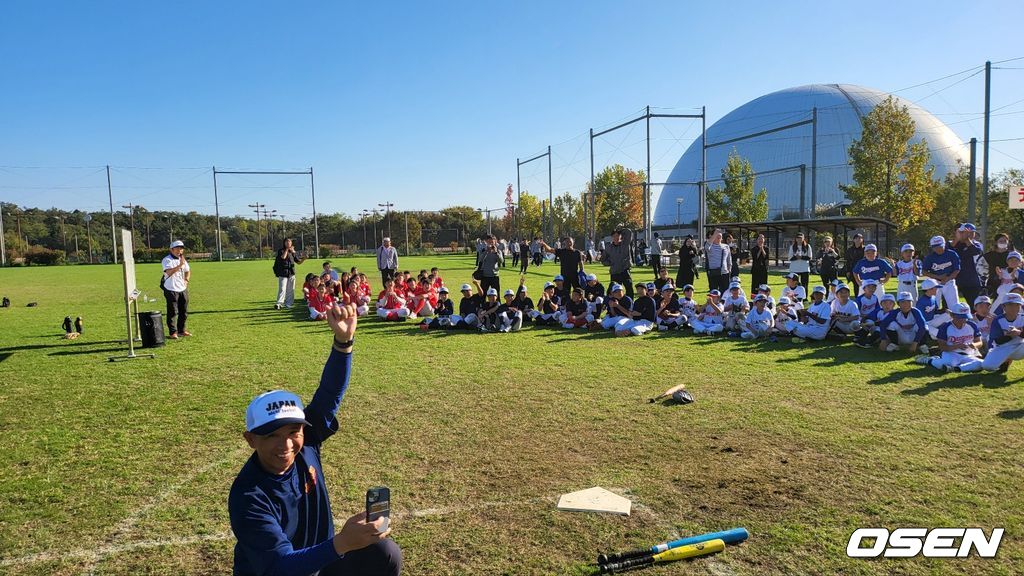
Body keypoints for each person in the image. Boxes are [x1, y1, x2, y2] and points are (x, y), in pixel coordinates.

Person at [229, 303, 402, 576]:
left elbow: (329, 394)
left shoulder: (306, 443)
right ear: (250, 439)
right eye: (271, 435)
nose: (286, 445)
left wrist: (344, 342)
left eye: (292, 433)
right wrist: (342, 543)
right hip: (286, 571)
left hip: (321, 562)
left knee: (385, 553)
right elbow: (278, 567)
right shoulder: (248, 495)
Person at [915, 302, 983, 373]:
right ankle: (930, 360)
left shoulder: (972, 325)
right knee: (949, 363)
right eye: (960, 317)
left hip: (969, 354)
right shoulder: (945, 327)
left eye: (965, 317)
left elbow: (979, 342)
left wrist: (974, 345)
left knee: (982, 363)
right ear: (953, 315)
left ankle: (956, 369)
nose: (963, 320)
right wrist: (956, 346)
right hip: (951, 353)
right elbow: (942, 347)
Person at [982, 293, 1024, 372]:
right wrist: (1010, 336)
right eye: (1010, 305)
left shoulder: (1023, 317)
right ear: (1003, 306)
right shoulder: (998, 320)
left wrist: (1019, 333)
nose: (1014, 308)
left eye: (1017, 305)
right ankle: (1005, 361)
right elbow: (996, 341)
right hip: (1003, 348)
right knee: (987, 366)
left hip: (1020, 346)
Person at [949, 223, 985, 309]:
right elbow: (947, 251)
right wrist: (957, 238)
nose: (969, 234)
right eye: (965, 232)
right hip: (954, 279)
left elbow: (976, 251)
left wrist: (967, 240)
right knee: (950, 305)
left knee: (974, 306)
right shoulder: (953, 244)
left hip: (971, 281)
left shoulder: (977, 244)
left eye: (972, 232)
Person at [161, 240, 192, 339]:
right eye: (177, 248)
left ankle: (181, 330)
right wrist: (179, 265)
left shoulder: (182, 259)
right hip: (171, 288)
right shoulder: (167, 260)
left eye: (181, 248)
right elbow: (169, 272)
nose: (180, 250)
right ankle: (173, 332)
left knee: (184, 311)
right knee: (172, 311)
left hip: (182, 288)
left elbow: (188, 270)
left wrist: (186, 280)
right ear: (171, 249)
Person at [921, 235, 960, 311]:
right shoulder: (930, 257)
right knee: (934, 305)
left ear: (944, 244)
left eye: (940, 246)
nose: (938, 249)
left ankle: (956, 321)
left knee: (954, 305)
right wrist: (938, 277)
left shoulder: (952, 254)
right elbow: (924, 271)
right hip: (935, 283)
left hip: (949, 282)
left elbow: (957, 270)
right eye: (935, 247)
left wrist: (947, 278)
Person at [272, 239, 305, 310]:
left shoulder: (293, 252)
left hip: (291, 273)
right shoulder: (281, 251)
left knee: (291, 289)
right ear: (284, 243)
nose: (288, 243)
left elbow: (298, 262)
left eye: (290, 242)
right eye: (287, 242)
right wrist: (287, 249)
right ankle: (279, 303)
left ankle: (288, 304)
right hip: (283, 273)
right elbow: (283, 257)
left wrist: (304, 259)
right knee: (282, 289)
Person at [601, 229, 634, 298]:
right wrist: (610, 263)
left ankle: (630, 304)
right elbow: (603, 259)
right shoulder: (608, 247)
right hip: (614, 271)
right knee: (614, 289)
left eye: (618, 235)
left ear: (621, 236)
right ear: (612, 237)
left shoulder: (625, 244)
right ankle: (613, 304)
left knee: (629, 288)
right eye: (614, 236)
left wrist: (621, 229)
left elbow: (629, 233)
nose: (616, 237)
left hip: (625, 270)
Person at [983, 233, 1014, 297]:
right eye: (1000, 241)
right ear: (996, 242)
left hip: (1009, 282)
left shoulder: (1012, 255)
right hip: (992, 283)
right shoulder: (988, 256)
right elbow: (982, 269)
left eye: (1005, 241)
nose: (1003, 243)